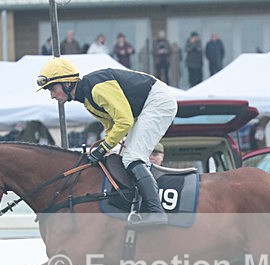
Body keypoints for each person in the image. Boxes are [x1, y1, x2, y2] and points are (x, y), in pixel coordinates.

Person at [37, 57, 177, 226]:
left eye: (53, 88)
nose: (52, 95)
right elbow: (111, 125)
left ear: (67, 83)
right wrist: (109, 148)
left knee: (132, 157)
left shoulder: (96, 89)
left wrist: (103, 148)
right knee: (124, 156)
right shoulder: (86, 98)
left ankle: (156, 212)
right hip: (147, 104)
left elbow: (124, 121)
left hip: (158, 101)